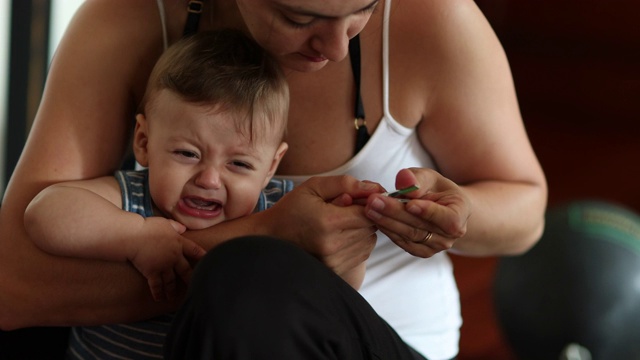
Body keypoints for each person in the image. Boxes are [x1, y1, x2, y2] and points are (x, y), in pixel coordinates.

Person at [0, 0, 548, 359]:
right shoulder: (130, 19)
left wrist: (444, 216)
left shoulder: (435, 19)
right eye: (299, 16)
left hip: (370, 341)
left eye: (363, 8)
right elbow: (15, 282)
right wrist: (266, 236)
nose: (335, 48)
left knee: (253, 277)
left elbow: (526, 209)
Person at [24, 29, 292, 303]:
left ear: (270, 167)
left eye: (238, 163)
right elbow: (43, 213)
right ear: (143, 141)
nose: (209, 180)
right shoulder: (133, 199)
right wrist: (134, 236)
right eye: (188, 153)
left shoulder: (279, 209)